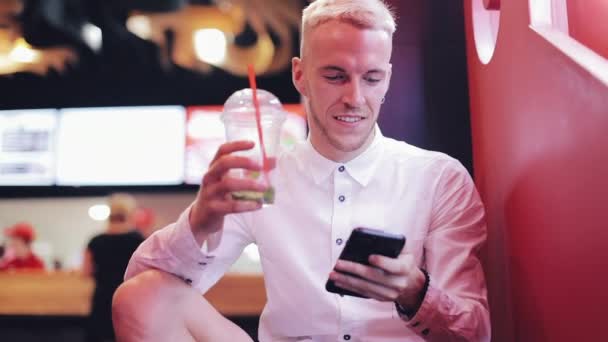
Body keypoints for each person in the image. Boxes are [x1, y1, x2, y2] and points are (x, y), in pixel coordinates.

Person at [113, 0, 491, 341]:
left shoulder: (438, 178)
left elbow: (475, 333)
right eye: (335, 76)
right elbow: (145, 287)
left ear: (387, 80)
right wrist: (199, 222)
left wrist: (415, 292)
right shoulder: (262, 178)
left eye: (371, 78)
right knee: (139, 296)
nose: (355, 98)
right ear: (300, 75)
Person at [83, 193, 145, 342]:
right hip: (130, 299)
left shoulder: (95, 241)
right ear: (130, 213)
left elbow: (86, 271)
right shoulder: (139, 240)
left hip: (102, 299)